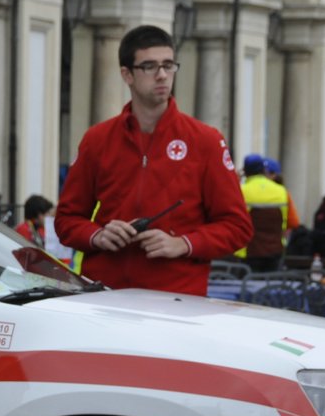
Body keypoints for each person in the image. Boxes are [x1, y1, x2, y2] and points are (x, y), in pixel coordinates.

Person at [55, 24, 252, 296]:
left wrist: (183, 243)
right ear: (127, 75)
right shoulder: (97, 139)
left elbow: (238, 227)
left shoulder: (205, 140)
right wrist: (97, 236)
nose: (162, 75)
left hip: (176, 301)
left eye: (168, 65)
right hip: (106, 296)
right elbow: (66, 219)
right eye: (149, 67)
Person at [239, 154, 290, 272]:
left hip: (248, 252)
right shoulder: (281, 190)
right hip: (276, 249)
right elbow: (284, 222)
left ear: (245, 171)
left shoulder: (242, 191)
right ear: (263, 170)